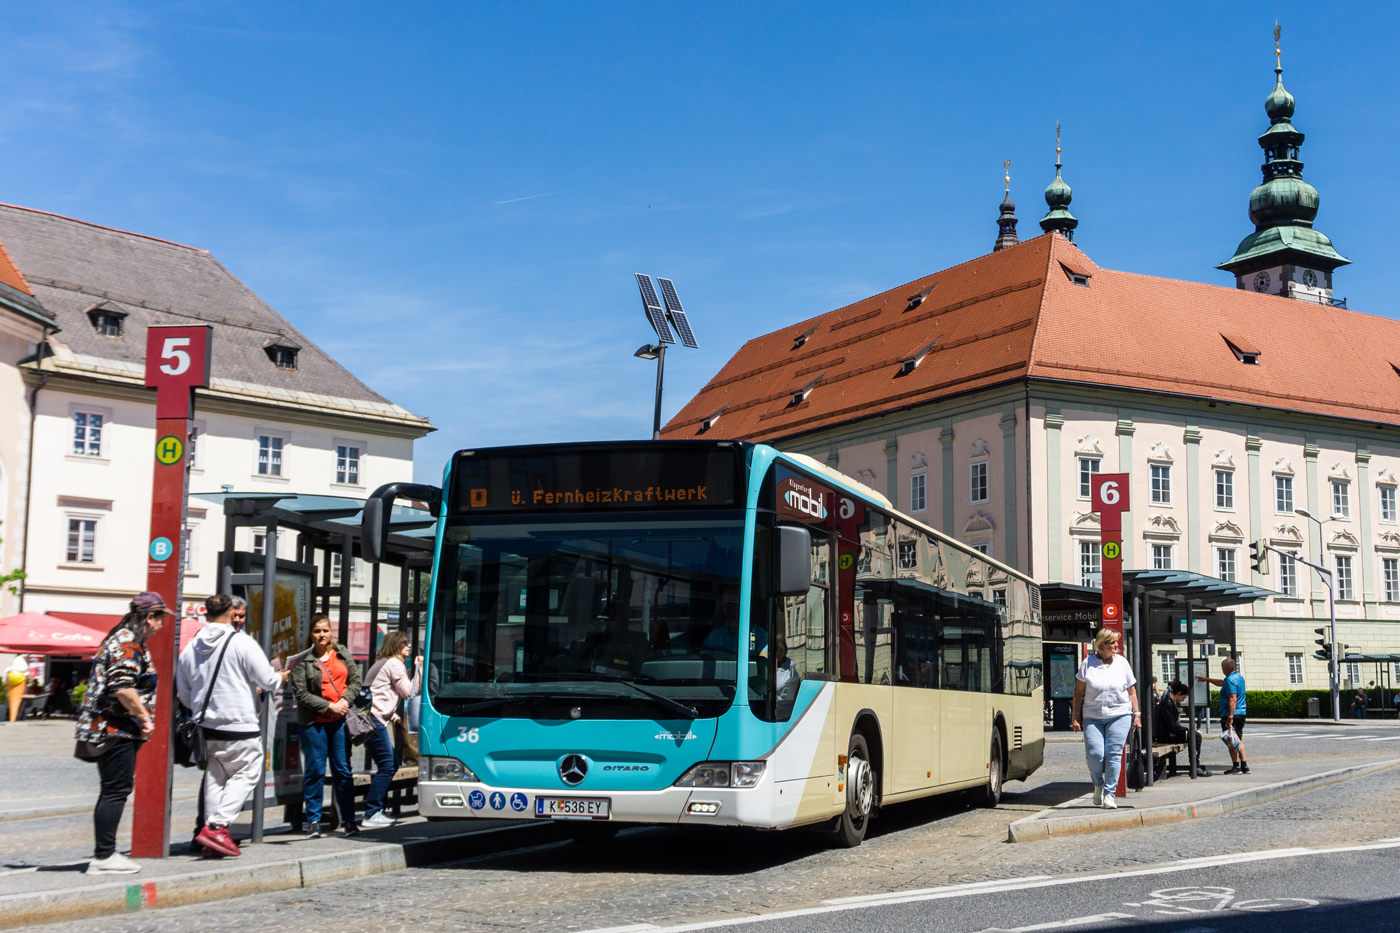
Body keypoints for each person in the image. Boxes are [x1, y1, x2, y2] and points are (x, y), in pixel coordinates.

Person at [177, 595, 289, 858]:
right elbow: (268, 680)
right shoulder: (241, 642)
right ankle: (217, 827)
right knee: (247, 771)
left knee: (216, 776)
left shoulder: (190, 648)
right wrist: (281, 676)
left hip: (206, 726)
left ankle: (210, 837)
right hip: (240, 723)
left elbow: (183, 693)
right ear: (230, 613)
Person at [74, 592, 167, 875]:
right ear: (150, 617)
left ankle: (105, 854)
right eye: (161, 619)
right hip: (114, 729)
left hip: (109, 727)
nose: (162, 625)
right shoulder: (128, 643)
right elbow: (123, 687)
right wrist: (143, 716)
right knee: (116, 790)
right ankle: (104, 856)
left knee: (113, 789)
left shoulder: (123, 638)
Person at [289, 614, 361, 838]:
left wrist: (345, 701)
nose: (322, 635)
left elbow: (355, 680)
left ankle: (349, 821)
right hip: (314, 724)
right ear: (311, 634)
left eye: (325, 630)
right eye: (317, 631)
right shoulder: (303, 660)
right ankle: (313, 821)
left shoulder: (341, 652)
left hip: (339, 723)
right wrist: (330, 707)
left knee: (342, 770)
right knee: (315, 771)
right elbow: (301, 694)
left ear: (331, 632)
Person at [1071, 629, 1140, 809]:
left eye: (1117, 642)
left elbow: (1131, 692)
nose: (1117, 646)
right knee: (1095, 754)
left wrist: (1137, 714)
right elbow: (1078, 692)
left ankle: (1110, 794)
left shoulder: (1123, 663)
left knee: (1115, 754)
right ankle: (1098, 785)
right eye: (1113, 643)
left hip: (1120, 714)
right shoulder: (1088, 663)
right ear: (1102, 645)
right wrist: (1076, 716)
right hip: (1093, 716)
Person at [361, 631, 420, 828]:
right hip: (374, 721)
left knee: (390, 764)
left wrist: (394, 717)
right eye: (404, 642)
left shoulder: (382, 662)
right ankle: (372, 812)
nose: (409, 645)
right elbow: (408, 692)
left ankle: (377, 810)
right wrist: (419, 668)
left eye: (408, 642)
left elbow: (378, 693)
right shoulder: (394, 664)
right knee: (388, 765)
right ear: (395, 645)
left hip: (371, 718)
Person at [1198, 658, 1248, 774]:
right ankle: (1244, 765)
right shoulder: (1239, 677)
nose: (1222, 669)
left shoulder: (1230, 680)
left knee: (1231, 740)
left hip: (1231, 714)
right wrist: (1206, 679)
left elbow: (1232, 699)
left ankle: (1236, 766)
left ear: (1225, 668)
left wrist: (1230, 717)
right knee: (1238, 739)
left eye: (1222, 667)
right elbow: (1222, 683)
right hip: (1241, 713)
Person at [1153, 680, 1209, 777]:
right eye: (1183, 697)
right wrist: (1186, 729)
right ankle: (1195, 766)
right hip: (1166, 735)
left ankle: (1195, 765)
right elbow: (1171, 725)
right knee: (1196, 736)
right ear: (1179, 694)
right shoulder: (1168, 704)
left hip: (1166, 733)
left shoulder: (1168, 702)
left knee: (1194, 736)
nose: (1183, 700)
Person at [702, 592, 767, 656]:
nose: (727, 607)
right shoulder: (713, 637)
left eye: (732, 603)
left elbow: (763, 662)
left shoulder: (760, 635)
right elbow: (704, 661)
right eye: (725, 603)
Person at [6, 655, 28, 722]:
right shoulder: (21, 662)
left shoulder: (13, 662)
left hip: (12, 677)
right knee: (16, 701)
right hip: (18, 677)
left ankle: (13, 718)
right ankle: (13, 718)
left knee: (14, 701)